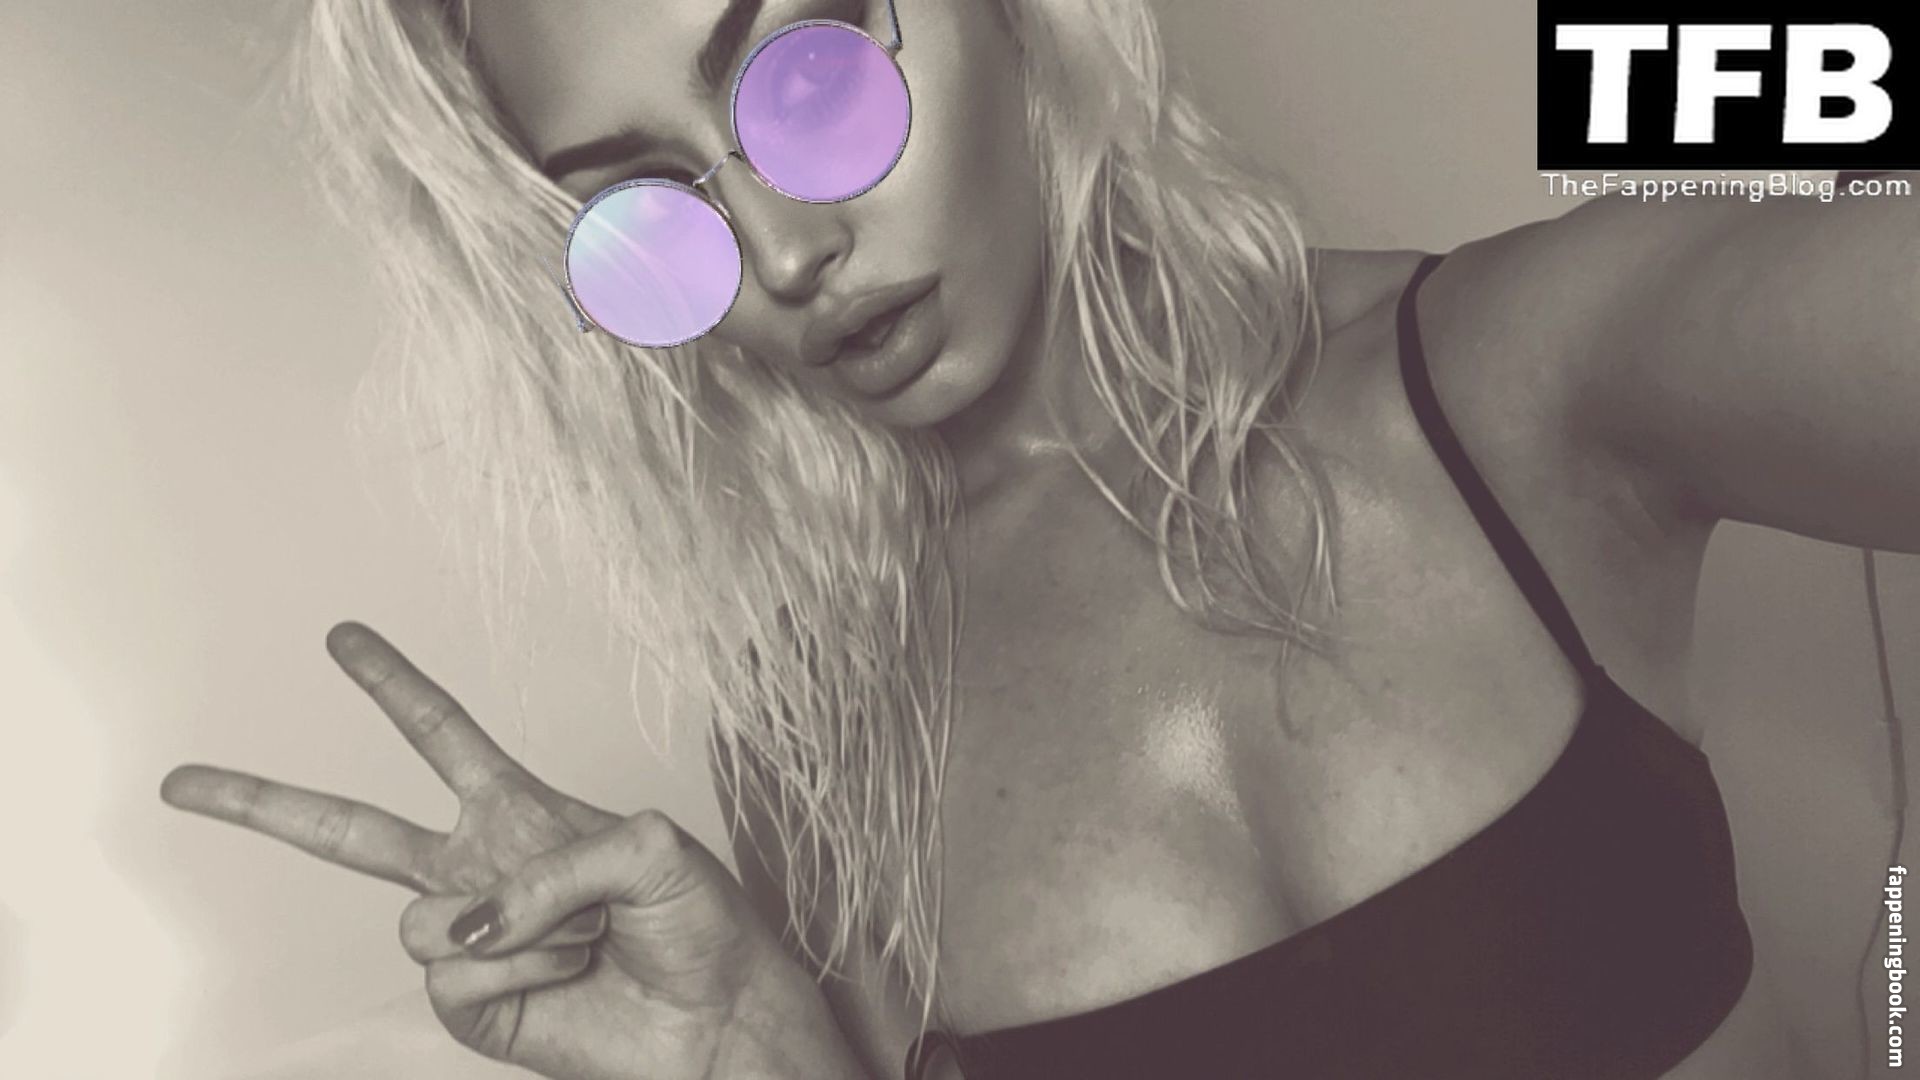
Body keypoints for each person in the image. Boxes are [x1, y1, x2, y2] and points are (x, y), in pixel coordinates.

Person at [159, 1, 1920, 1077]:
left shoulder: (1526, 379)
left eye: (808, 78)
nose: (781, 256)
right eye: (643, 207)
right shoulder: (816, 736)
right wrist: (766, 1065)